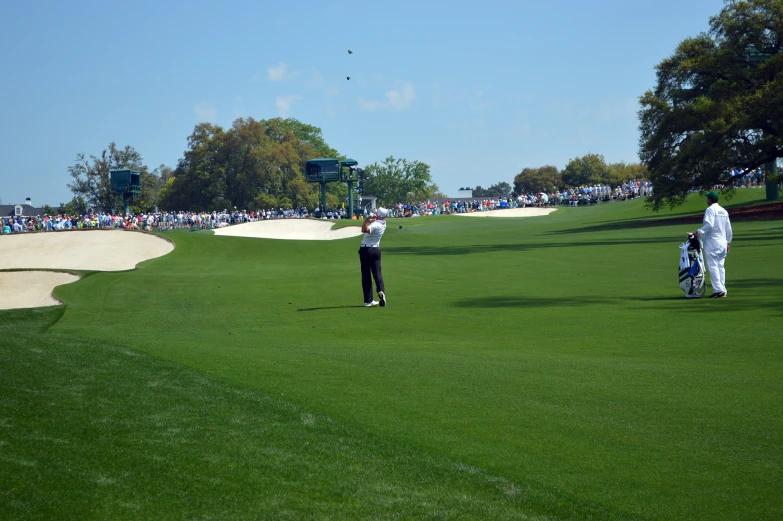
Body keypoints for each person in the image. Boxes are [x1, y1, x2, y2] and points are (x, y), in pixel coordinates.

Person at [690, 191, 732, 298]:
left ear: (709, 199)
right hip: (723, 242)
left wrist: (697, 232)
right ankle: (722, 289)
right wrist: (728, 242)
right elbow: (729, 229)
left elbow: (709, 225)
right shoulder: (724, 211)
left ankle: (718, 290)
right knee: (720, 266)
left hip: (713, 242)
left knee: (713, 266)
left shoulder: (710, 210)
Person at [358, 207, 388, 307]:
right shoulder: (383, 224)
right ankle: (381, 291)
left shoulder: (375, 225)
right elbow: (378, 219)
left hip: (366, 250)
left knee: (366, 275)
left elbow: (364, 229)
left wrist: (366, 220)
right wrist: (375, 218)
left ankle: (368, 301)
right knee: (377, 274)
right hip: (376, 250)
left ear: (377, 214)